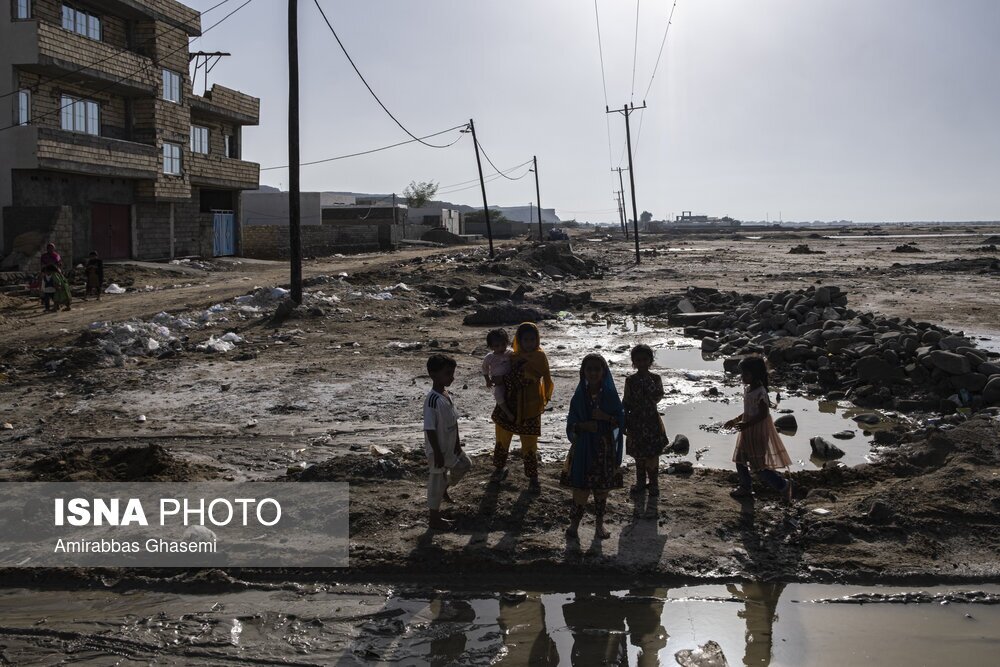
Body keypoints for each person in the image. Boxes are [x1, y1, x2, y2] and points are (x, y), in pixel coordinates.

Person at [562, 353, 625, 539]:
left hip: (604, 450)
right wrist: (584, 426)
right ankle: (573, 525)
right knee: (580, 489)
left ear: (604, 372)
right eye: (589, 369)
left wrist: (605, 417)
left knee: (601, 490)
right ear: (583, 372)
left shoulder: (611, 396)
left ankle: (599, 526)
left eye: (597, 369)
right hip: (583, 449)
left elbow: (620, 422)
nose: (593, 373)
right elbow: (571, 424)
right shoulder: (579, 397)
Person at [489, 322, 554, 494]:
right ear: (519, 340)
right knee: (502, 438)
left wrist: (503, 380)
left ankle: (533, 478)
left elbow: (525, 378)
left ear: (537, 340)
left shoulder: (539, 358)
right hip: (509, 403)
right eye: (525, 340)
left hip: (530, 407)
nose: (529, 343)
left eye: (533, 339)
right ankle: (499, 468)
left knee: (529, 443)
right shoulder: (512, 356)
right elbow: (497, 371)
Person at [725, 356, 793, 502]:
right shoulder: (749, 389)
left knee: (759, 467)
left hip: (757, 432)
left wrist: (746, 424)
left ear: (754, 374)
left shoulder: (761, 392)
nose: (742, 377)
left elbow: (763, 414)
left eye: (745, 374)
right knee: (740, 460)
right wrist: (735, 420)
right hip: (747, 430)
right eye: (742, 374)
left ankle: (783, 485)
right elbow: (749, 411)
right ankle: (746, 487)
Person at [423, 354, 472, 531]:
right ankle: (434, 518)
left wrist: (457, 444)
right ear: (433, 375)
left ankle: (445, 487)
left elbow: (454, 421)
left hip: (450, 447)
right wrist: (436, 452)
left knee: (465, 464)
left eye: (452, 373)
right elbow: (429, 428)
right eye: (447, 373)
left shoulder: (446, 395)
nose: (451, 377)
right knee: (435, 481)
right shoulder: (432, 400)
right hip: (438, 450)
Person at [622, 344, 667, 497]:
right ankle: (641, 483)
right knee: (639, 456)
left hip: (651, 421)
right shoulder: (630, 380)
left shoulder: (655, 379)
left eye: (645, 360)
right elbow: (626, 402)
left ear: (650, 361)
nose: (642, 363)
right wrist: (624, 421)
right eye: (638, 360)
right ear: (634, 362)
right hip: (635, 422)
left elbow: (658, 397)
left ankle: (654, 484)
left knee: (653, 455)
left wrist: (647, 382)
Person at [482, 328, 514, 422]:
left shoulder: (510, 353)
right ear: (491, 347)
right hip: (499, 383)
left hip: (511, 380)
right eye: (497, 346)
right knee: (498, 395)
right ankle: (508, 413)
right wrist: (487, 380)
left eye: (503, 344)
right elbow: (485, 368)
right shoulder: (489, 357)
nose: (500, 348)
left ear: (507, 342)